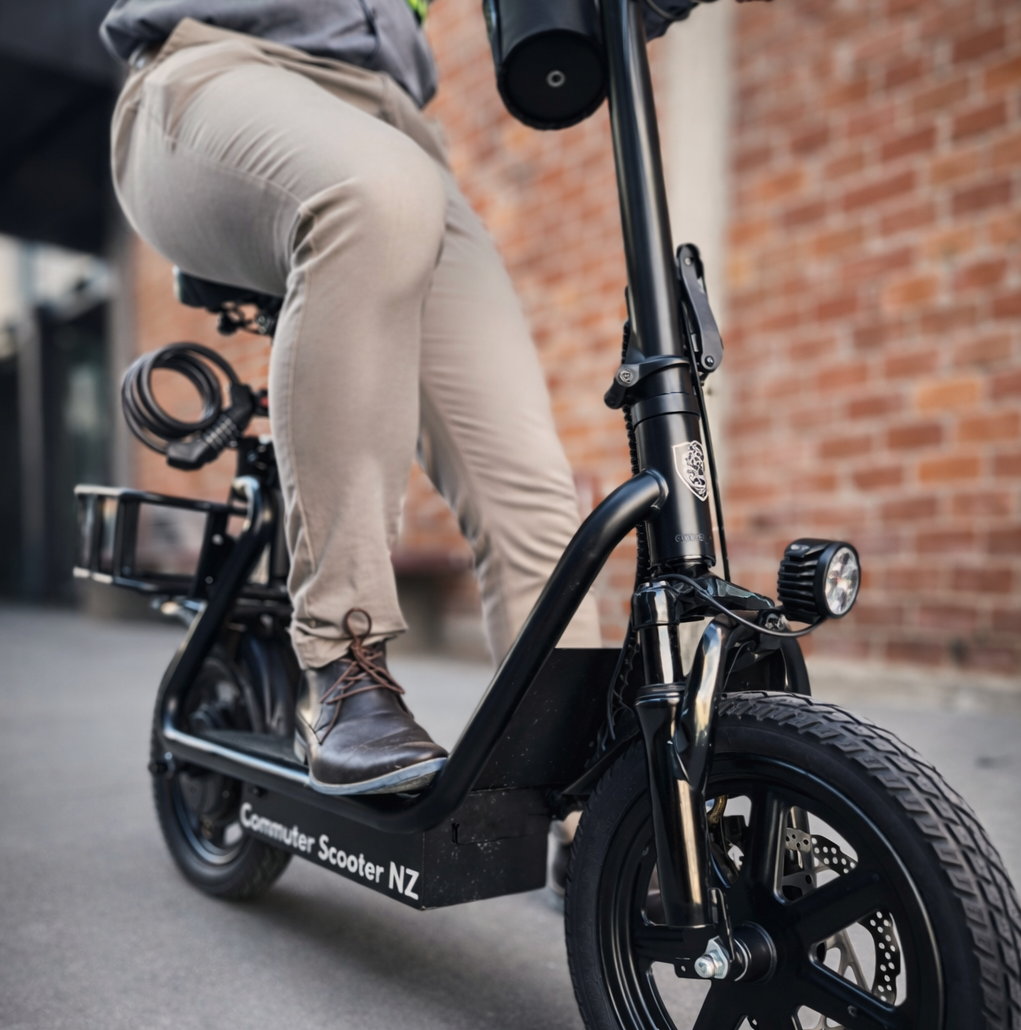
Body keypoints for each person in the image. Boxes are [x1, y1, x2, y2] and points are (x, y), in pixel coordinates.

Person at [99, 1, 696, 796]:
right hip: (213, 76)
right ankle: (344, 663)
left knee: (528, 489)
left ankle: (588, 805)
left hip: (395, 125)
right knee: (375, 197)